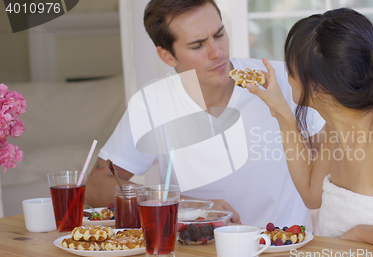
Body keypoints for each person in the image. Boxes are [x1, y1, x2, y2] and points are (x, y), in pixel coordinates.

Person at [84, 0, 325, 230]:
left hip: (286, 250)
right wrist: (190, 207)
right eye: (198, 45)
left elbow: (342, 160)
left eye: (219, 34)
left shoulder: (282, 80)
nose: (217, 52)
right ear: (167, 56)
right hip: (201, 253)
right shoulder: (153, 104)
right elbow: (96, 186)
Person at [246, 8, 373, 254]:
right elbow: (311, 195)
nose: (286, 75)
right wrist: (283, 114)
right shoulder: (334, 129)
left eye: (291, 68)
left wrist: (358, 233)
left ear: (317, 87)